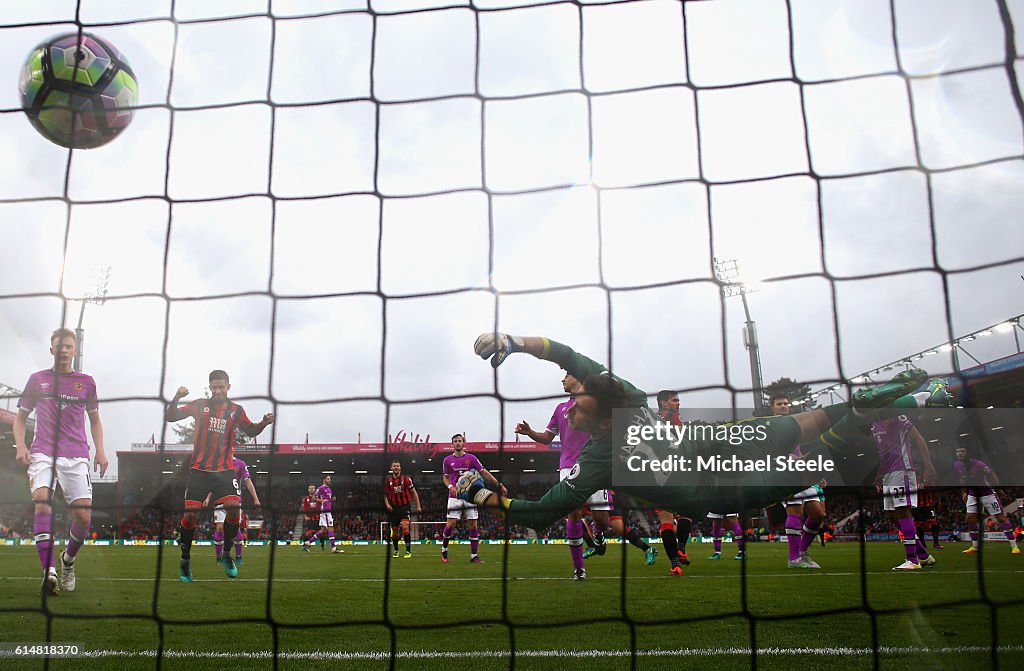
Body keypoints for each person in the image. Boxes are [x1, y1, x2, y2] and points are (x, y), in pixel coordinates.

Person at [460, 333, 948, 532]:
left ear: (602, 417)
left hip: (721, 487)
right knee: (808, 424)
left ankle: (902, 401)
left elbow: (545, 510)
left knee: (822, 454)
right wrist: (514, 342)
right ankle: (910, 399)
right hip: (720, 445)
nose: (572, 400)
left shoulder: (600, 458)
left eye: (579, 399)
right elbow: (569, 356)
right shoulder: (626, 398)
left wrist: (484, 499)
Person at [13, 328, 108, 595]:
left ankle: (68, 561)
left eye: (69, 346)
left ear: (75, 351)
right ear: (52, 350)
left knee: (83, 517)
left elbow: (95, 420)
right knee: (42, 504)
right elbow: (20, 418)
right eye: (59, 346)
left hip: (76, 454)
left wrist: (100, 450)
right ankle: (49, 573)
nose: (64, 350)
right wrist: (21, 445)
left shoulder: (87, 382)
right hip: (43, 451)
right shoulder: (37, 380)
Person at [165, 370, 274, 582]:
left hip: (224, 471)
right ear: (210, 387)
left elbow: (251, 431)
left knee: (234, 509)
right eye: (214, 387)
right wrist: (177, 397)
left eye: (221, 387)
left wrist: (263, 422)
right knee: (190, 516)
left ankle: (226, 554)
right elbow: (171, 416)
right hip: (199, 471)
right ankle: (185, 561)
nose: (217, 391)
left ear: (228, 387)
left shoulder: (235, 410)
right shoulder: (198, 405)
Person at [515, 371, 615, 580]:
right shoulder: (560, 408)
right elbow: (546, 438)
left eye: (566, 376)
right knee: (574, 514)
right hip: (569, 468)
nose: (562, 379)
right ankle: (579, 570)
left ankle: (599, 533)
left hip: (595, 466)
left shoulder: (596, 404)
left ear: (578, 379)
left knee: (603, 521)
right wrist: (530, 431)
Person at [871, 414, 937, 570]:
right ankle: (923, 556)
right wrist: (878, 477)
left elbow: (919, 439)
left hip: (902, 470)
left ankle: (912, 560)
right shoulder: (874, 425)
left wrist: (928, 465)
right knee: (893, 515)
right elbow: (882, 454)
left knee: (902, 512)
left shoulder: (897, 417)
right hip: (887, 474)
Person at [442, 434, 505, 564]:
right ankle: (444, 550)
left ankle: (474, 556)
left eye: (460, 441)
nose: (458, 443)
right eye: (455, 441)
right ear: (452, 444)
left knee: (473, 524)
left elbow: (484, 472)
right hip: (455, 496)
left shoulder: (471, 458)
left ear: (463, 443)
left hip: (471, 496)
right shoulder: (447, 460)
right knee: (451, 524)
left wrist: (498, 484)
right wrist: (450, 487)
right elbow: (445, 477)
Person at [654, 390, 693, 574]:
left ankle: (675, 564)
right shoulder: (673, 417)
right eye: (674, 400)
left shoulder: (651, 419)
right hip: (677, 470)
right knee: (687, 512)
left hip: (657, 474)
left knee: (666, 520)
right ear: (663, 403)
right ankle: (681, 548)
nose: (678, 403)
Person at [954, 445, 1020, 554]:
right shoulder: (957, 465)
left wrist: (998, 490)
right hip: (972, 495)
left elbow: (992, 476)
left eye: (962, 451)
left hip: (987, 494)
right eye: (957, 451)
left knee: (1000, 518)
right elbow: (961, 479)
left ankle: (1014, 546)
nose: (960, 453)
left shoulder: (979, 464)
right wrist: (964, 493)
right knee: (970, 518)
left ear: (967, 453)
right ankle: (975, 546)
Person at [204, 457, 261, 566]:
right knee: (220, 527)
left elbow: (248, 482)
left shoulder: (240, 463)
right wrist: (208, 497)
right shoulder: (217, 463)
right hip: (219, 500)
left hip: (235, 501)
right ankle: (219, 558)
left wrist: (256, 498)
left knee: (236, 529)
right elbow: (214, 484)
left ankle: (238, 556)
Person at [384, 460, 422, 558]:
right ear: (391, 468)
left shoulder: (406, 479)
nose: (396, 467)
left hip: (405, 507)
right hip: (394, 509)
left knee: (405, 527)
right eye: (394, 466)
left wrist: (418, 505)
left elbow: (414, 492)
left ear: (400, 468)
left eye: (397, 466)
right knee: (395, 532)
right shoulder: (388, 482)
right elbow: (385, 495)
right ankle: (396, 550)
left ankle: (408, 551)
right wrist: (387, 504)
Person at [304, 475, 343, 553]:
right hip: (325, 511)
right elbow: (313, 498)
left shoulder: (329, 489)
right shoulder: (321, 488)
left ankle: (309, 542)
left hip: (327, 511)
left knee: (323, 530)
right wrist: (321, 501)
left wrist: (332, 500)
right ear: (324, 480)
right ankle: (334, 548)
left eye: (330, 479)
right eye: (328, 479)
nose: (330, 480)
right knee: (331, 528)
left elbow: (327, 500)